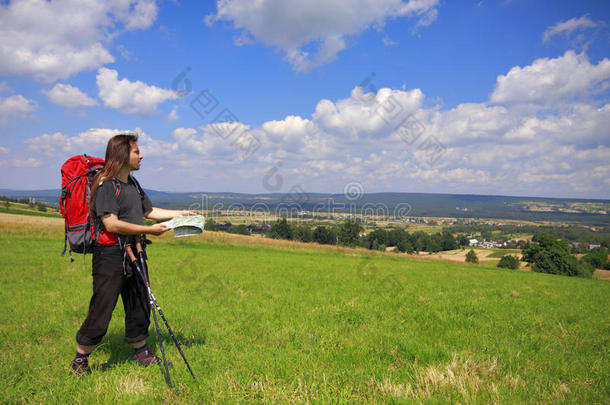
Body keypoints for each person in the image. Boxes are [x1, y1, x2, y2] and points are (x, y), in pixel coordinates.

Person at [70, 133, 193, 376]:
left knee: (139, 302)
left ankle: (141, 351)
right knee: (103, 306)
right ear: (122, 154)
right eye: (137, 152)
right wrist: (149, 231)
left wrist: (180, 214)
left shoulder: (133, 185)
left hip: (136, 251)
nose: (141, 155)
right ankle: (81, 358)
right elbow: (111, 224)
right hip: (110, 256)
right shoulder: (106, 185)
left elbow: (149, 210)